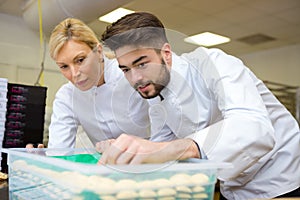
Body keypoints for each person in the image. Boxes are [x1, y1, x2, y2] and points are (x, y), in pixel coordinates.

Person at [97, 12, 300, 199]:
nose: (136, 78)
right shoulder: (157, 94)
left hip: (280, 179)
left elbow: (252, 127)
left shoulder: (214, 63)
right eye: (126, 70)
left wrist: (179, 149)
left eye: (142, 64)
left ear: (166, 53)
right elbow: (161, 144)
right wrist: (126, 154)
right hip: (233, 185)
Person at [30, 18, 150, 148]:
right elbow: (59, 152)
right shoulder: (67, 96)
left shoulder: (132, 74)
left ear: (98, 51)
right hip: (105, 165)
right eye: (64, 66)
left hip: (157, 162)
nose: (75, 73)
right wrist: (41, 160)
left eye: (80, 60)